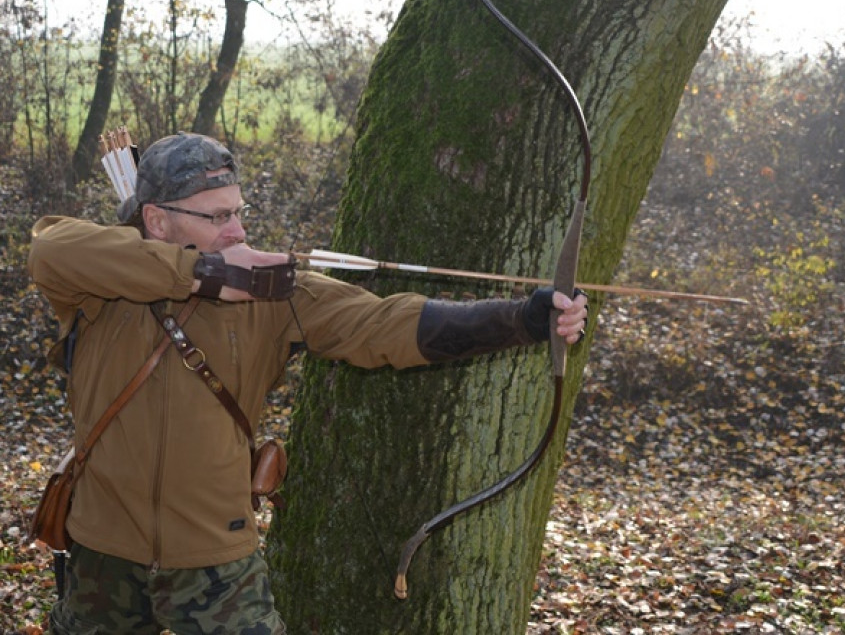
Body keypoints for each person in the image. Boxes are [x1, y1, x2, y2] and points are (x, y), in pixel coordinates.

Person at [27, 132, 588, 634]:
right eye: (216, 216)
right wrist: (206, 276)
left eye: (237, 211)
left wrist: (519, 319)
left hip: (215, 558)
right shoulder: (99, 286)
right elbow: (50, 246)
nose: (238, 229)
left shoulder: (272, 295)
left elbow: (386, 324)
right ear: (155, 220)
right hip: (101, 551)